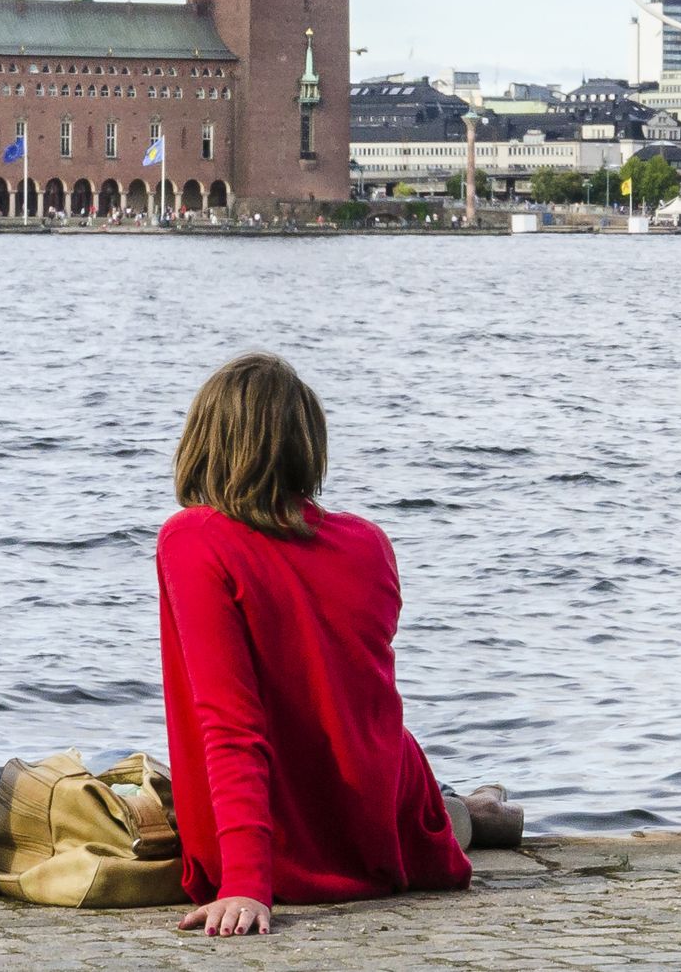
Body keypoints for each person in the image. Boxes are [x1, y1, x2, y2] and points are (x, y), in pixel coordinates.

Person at [157, 353, 522, 936]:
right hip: (382, 818)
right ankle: (479, 809)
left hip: (288, 845)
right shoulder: (368, 541)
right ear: (308, 444)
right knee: (436, 809)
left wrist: (247, 881)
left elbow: (230, 722)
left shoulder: (194, 539)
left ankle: (477, 810)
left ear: (205, 441)